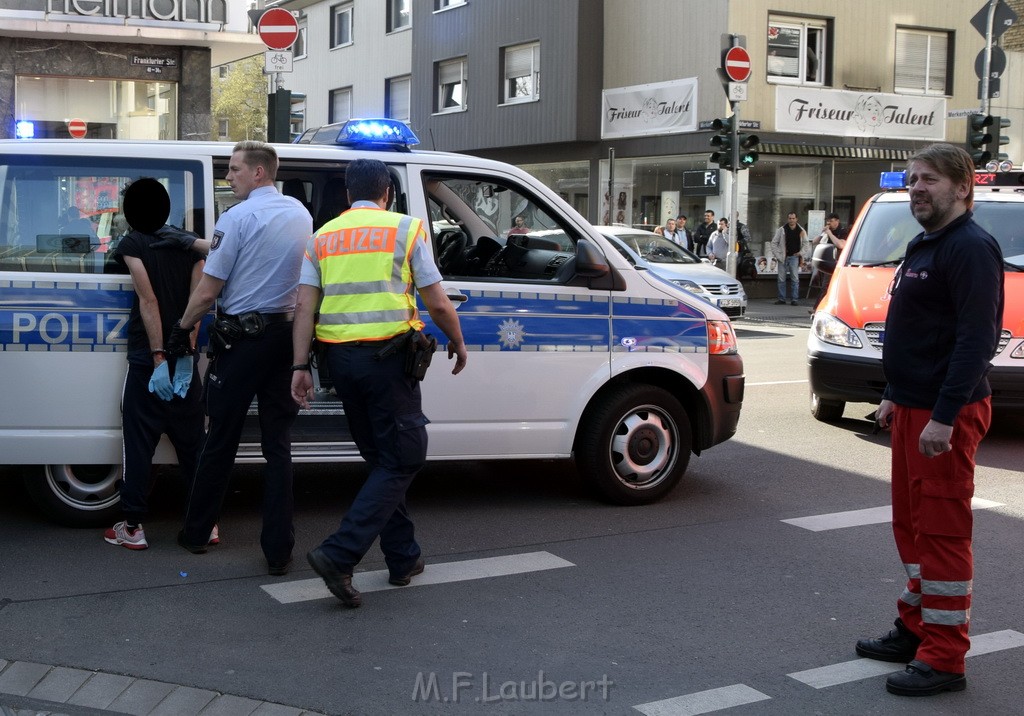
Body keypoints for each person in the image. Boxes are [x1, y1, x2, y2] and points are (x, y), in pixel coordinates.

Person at [855, 144, 1004, 698]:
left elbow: (976, 341)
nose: (918, 188)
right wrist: (896, 392)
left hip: (946, 413)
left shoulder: (970, 248)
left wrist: (942, 417)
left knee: (941, 534)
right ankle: (917, 628)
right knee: (912, 531)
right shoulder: (925, 244)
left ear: (963, 188)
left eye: (931, 180)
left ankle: (945, 657)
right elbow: (916, 329)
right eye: (914, 179)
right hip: (914, 408)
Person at [291, 159, 468, 609]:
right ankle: (338, 554)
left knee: (384, 459)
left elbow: (305, 309)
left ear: (348, 194)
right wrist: (458, 342)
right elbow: (437, 300)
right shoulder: (405, 229)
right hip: (389, 363)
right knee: (405, 456)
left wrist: (299, 367)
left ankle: (403, 557)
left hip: (341, 365)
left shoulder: (322, 236)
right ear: (387, 192)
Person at [167, 140, 312, 576]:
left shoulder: (236, 217)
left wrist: (181, 328)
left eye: (233, 170)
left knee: (220, 440)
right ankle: (278, 551)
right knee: (278, 446)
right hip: (284, 338)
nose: (228, 177)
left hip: (241, 343)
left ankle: (196, 533)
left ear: (259, 173)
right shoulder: (301, 215)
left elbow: (209, 290)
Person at [103, 178, 206, 550]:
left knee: (139, 441)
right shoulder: (192, 245)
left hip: (150, 360)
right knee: (193, 444)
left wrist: (159, 357)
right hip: (184, 360)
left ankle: (132, 526)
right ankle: (206, 523)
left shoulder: (132, 243)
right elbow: (198, 302)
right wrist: (186, 355)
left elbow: (148, 301)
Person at [770, 212, 809, 305]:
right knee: (781, 279)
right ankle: (781, 299)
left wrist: (800, 253)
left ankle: (794, 299)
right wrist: (778, 255)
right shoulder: (782, 230)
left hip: (794, 257)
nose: (791, 220)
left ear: (796, 219)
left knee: (795, 279)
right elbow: (774, 243)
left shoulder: (801, 230)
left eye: (793, 218)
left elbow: (806, 243)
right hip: (783, 257)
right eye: (790, 218)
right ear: (788, 219)